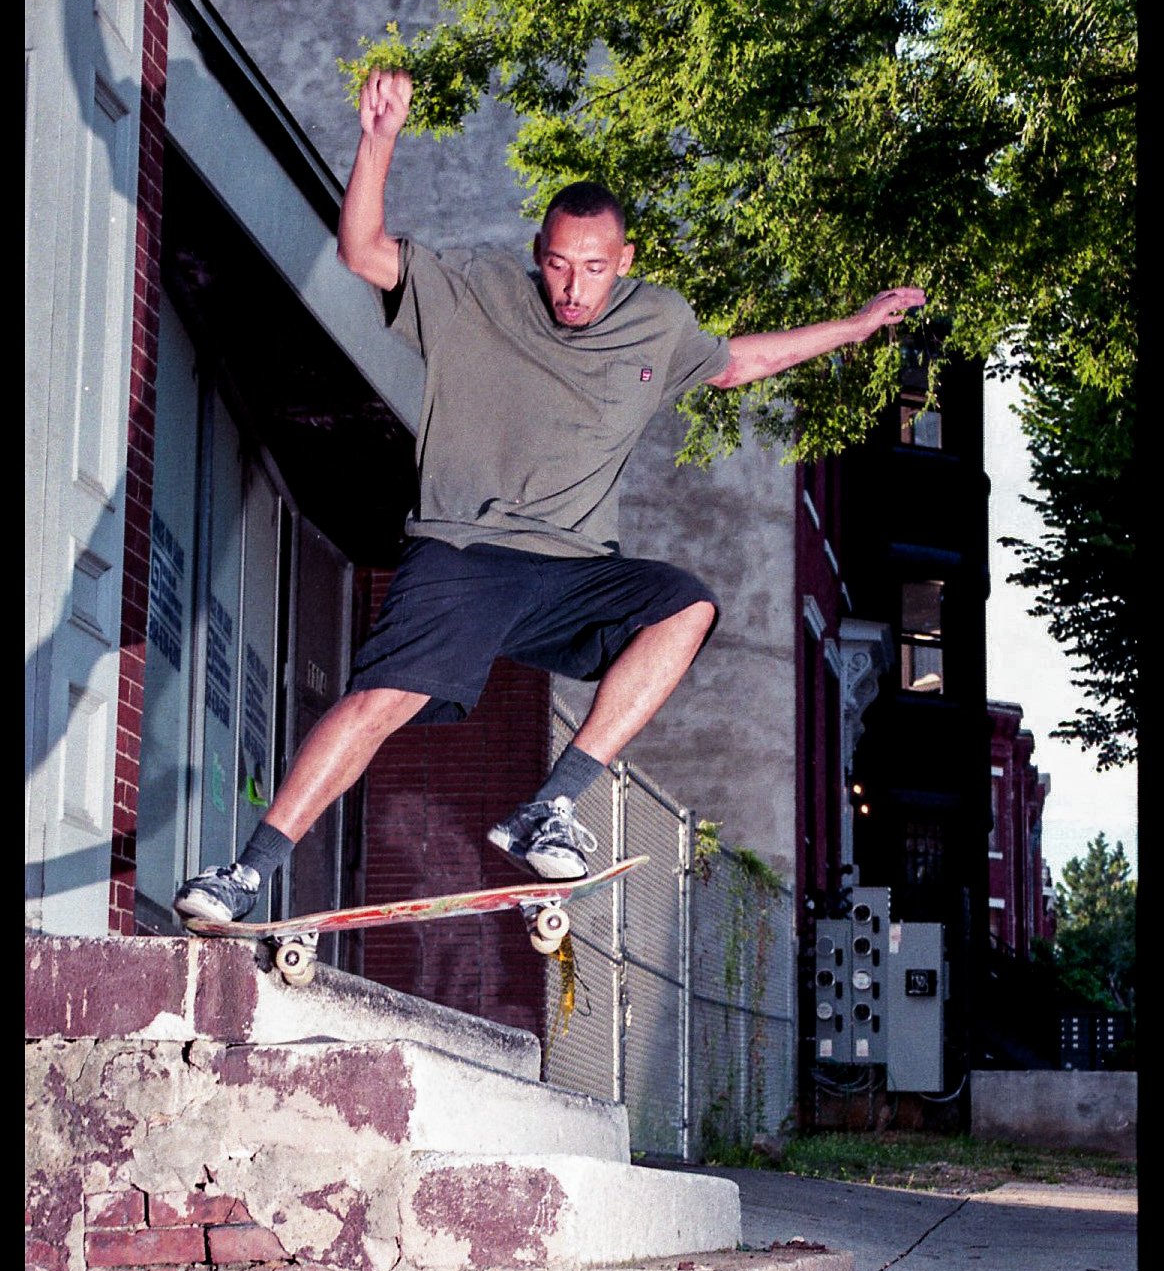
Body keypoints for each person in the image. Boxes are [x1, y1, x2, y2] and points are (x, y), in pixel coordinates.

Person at [174, 67, 924, 925]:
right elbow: (362, 251)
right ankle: (247, 870)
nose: (574, 287)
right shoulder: (476, 295)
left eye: (594, 269)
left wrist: (857, 325)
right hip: (464, 550)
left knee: (686, 607)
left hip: (572, 570)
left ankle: (552, 801)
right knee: (380, 702)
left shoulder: (662, 321)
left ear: (625, 263)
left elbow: (741, 362)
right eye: (560, 265)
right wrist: (378, 140)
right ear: (540, 253)